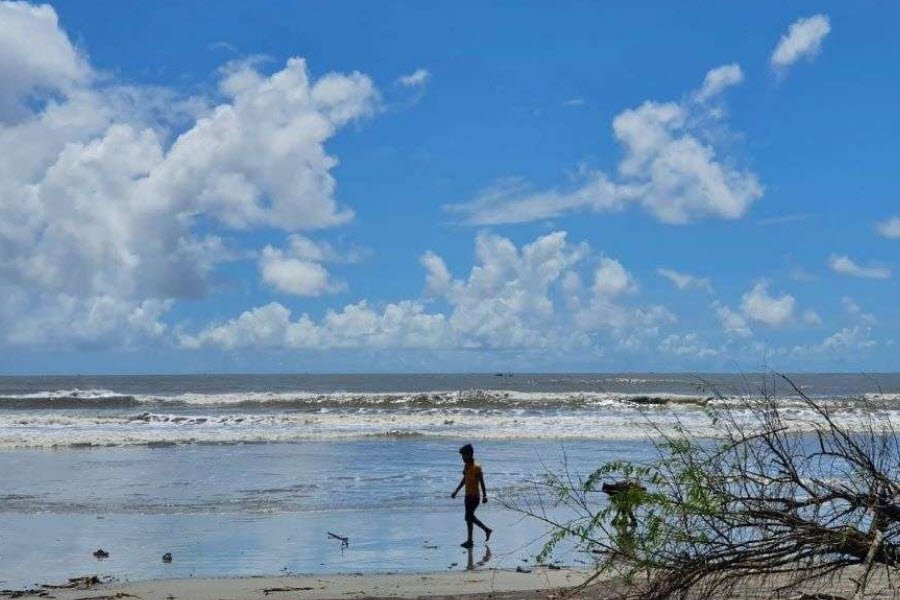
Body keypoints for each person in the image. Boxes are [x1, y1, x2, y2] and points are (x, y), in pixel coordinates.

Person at [450, 443, 492, 548]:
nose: (462, 458)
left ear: (469, 454)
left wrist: (485, 495)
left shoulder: (477, 467)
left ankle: (485, 530)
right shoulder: (466, 466)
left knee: (468, 516)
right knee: (469, 518)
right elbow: (464, 480)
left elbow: (482, 482)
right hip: (467, 495)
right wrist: (456, 491)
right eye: (462, 456)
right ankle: (470, 540)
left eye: (464, 456)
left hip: (475, 496)